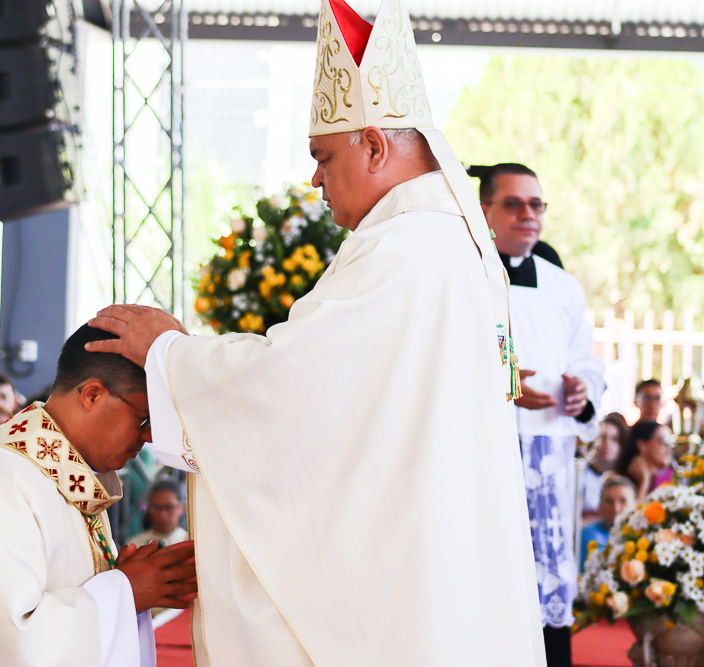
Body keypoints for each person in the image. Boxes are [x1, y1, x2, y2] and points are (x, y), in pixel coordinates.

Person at [86, 0, 544, 663]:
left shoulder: (403, 251)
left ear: (375, 145)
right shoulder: (454, 247)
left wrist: (170, 355)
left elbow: (295, 387)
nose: (315, 178)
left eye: (323, 156)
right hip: (447, 567)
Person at [0, 325, 197, 667]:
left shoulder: (68, 476)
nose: (149, 437)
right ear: (92, 395)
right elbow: (7, 643)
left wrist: (118, 581)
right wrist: (126, 592)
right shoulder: (3, 478)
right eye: (143, 418)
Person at [474, 161, 605, 666]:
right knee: (489, 572)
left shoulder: (562, 287)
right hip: (486, 448)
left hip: (550, 452)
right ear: (485, 209)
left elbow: (585, 359)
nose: (528, 214)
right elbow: (444, 354)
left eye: (536, 204)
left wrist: (582, 391)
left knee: (547, 571)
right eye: (513, 204)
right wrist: (504, 384)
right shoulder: (466, 276)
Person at [579, 477, 636, 573]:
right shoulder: (589, 536)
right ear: (600, 506)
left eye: (623, 501)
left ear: (635, 504)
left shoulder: (643, 533)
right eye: (609, 501)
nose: (616, 508)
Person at [580, 413, 628, 520]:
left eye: (615, 439)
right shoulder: (579, 473)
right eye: (602, 438)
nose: (608, 444)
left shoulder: (626, 477)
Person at [614, 420, 674, 500]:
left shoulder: (671, 479)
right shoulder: (617, 479)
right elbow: (632, 509)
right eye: (663, 441)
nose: (669, 448)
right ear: (642, 445)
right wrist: (644, 482)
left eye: (671, 443)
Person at [129, 480, 187, 548]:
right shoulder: (136, 545)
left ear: (181, 508)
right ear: (149, 508)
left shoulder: (189, 542)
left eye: (169, 507)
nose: (163, 515)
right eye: (157, 507)